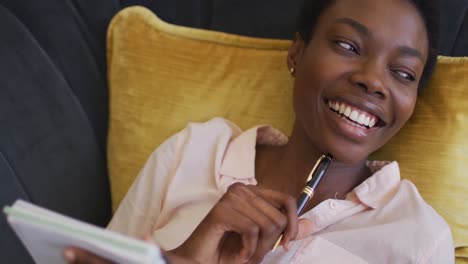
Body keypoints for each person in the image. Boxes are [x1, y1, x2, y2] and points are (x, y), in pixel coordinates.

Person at [64, 0, 455, 263]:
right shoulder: (195, 151)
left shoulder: (419, 239)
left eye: (403, 73)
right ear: (297, 54)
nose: (372, 81)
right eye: (349, 46)